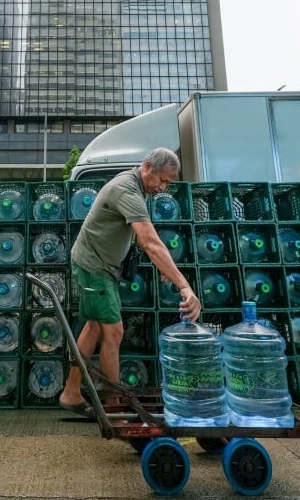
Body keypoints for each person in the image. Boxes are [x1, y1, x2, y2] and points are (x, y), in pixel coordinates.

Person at [59, 147, 202, 417]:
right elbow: (149, 241)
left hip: (101, 265)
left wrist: (163, 266)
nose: (163, 188)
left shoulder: (138, 187)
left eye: (168, 184)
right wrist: (184, 286)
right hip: (94, 266)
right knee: (114, 332)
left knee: (94, 327)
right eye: (162, 180)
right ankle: (113, 404)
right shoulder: (126, 188)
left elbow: (141, 237)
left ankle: (71, 392)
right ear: (147, 167)